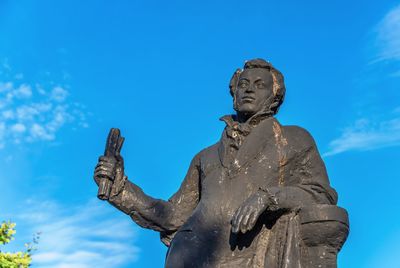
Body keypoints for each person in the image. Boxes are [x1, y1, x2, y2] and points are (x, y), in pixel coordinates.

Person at [94, 59, 349, 268]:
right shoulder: (205, 156)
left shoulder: (293, 139)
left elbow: (321, 195)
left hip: (254, 256)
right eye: (243, 84)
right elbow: (173, 215)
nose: (249, 89)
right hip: (192, 259)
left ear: (274, 96)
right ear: (233, 92)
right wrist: (120, 188)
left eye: (259, 85)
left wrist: (269, 198)